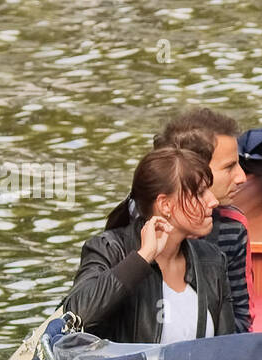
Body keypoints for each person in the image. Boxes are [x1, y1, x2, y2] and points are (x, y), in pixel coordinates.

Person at [62, 146, 234, 344]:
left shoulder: (212, 260)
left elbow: (226, 349)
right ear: (165, 205)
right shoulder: (109, 249)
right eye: (200, 193)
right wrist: (142, 258)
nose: (213, 201)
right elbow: (75, 314)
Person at [154, 108, 253, 333]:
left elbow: (241, 321)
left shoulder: (231, 228)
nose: (242, 177)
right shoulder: (130, 224)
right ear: (191, 169)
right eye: (229, 167)